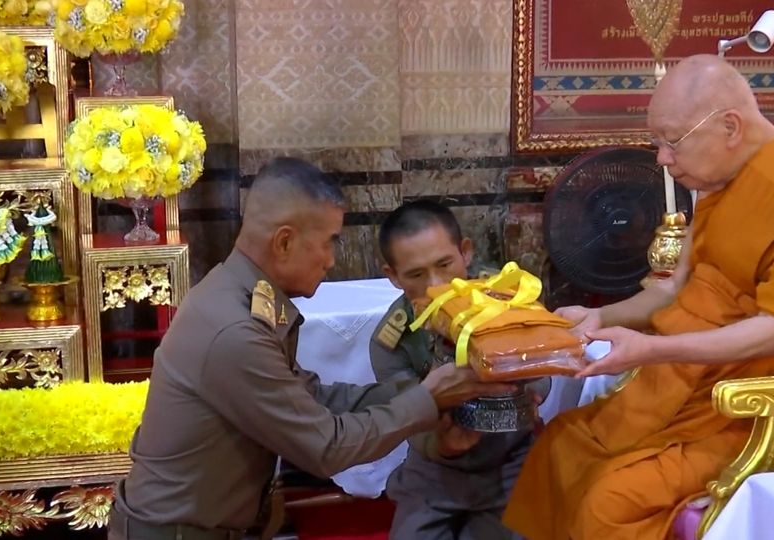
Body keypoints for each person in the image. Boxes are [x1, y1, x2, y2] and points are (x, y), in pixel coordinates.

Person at [502, 54, 774, 540]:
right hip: (681, 388)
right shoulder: (724, 182)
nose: (661, 158)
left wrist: (654, 349)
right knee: (561, 445)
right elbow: (675, 289)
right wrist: (598, 318)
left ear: (730, 126)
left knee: (609, 500)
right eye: (657, 142)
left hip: (752, 411)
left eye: (672, 141)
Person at [109, 158, 514, 540]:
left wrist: (424, 391)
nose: (332, 260)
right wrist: (428, 400)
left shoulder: (239, 294)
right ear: (284, 241)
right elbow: (327, 447)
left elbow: (312, 397)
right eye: (329, 242)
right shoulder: (235, 330)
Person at [370, 200, 550, 540]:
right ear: (393, 276)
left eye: (444, 264)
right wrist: (443, 446)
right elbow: (406, 417)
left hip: (508, 458)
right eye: (416, 275)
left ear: (465, 252)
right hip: (434, 467)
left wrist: (526, 386)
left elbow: (544, 374)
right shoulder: (393, 341)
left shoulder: (508, 301)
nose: (437, 285)